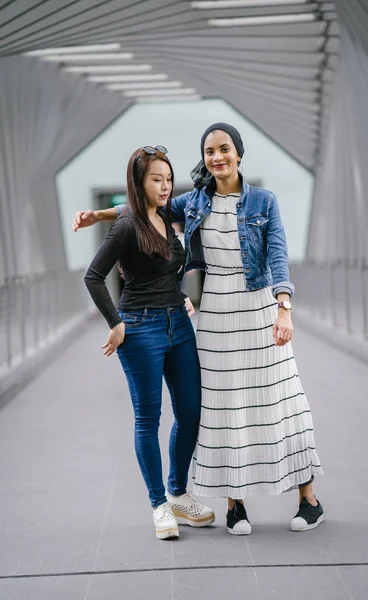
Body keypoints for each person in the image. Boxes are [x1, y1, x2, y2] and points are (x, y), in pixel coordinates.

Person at [75, 124, 324, 535]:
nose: (217, 156)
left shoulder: (264, 200)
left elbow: (277, 252)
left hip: (259, 304)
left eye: (224, 148)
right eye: (209, 151)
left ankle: (308, 499)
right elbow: (141, 209)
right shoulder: (193, 202)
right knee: (221, 408)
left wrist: (284, 306)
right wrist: (99, 215)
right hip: (217, 312)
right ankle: (234, 505)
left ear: (238, 154)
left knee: (282, 399)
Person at [84, 145, 215, 540]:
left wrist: (182, 298)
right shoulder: (127, 225)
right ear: (139, 183)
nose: (165, 186)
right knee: (148, 419)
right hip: (140, 328)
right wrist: (116, 322)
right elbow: (93, 275)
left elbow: (170, 269)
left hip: (179, 324)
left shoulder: (165, 216)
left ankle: (178, 492)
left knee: (191, 411)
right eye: (156, 179)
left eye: (169, 179)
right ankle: (159, 504)